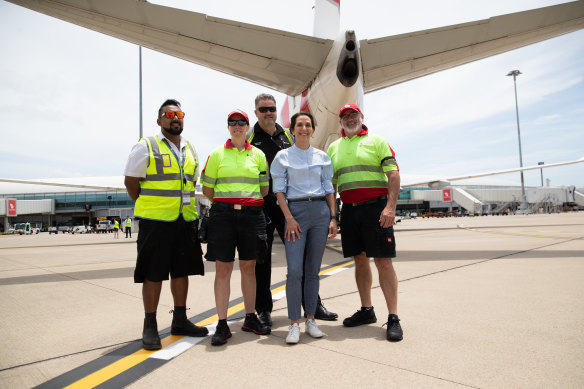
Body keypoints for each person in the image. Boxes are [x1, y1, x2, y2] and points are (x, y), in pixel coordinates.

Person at [124, 98, 208, 350]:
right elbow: (131, 182)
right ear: (159, 120)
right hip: (156, 222)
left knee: (181, 271)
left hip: (185, 220)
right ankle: (149, 325)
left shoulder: (190, 149)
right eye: (169, 114)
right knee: (153, 273)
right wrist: (149, 204)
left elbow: (191, 183)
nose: (175, 117)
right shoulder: (146, 146)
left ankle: (180, 319)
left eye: (179, 114)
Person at [247, 93, 338, 328]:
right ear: (256, 112)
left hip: (289, 207)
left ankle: (313, 305)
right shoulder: (249, 138)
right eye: (263, 109)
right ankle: (264, 309)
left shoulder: (287, 135)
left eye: (272, 109)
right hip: (263, 207)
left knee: (306, 258)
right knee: (263, 259)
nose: (268, 113)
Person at [326, 103, 403, 342]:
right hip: (350, 210)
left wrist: (390, 207)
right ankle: (367, 310)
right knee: (359, 260)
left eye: (354, 115)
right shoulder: (334, 148)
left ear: (361, 117)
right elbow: (332, 186)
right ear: (340, 122)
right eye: (345, 116)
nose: (350, 119)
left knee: (383, 261)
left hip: (376, 209)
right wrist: (333, 216)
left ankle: (393, 317)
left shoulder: (377, 141)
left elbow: (393, 175)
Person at [202, 109, 271, 346]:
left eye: (242, 123)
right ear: (228, 127)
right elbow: (207, 190)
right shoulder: (216, 154)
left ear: (248, 126)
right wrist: (228, 205)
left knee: (249, 267)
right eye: (233, 123)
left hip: (252, 215)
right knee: (223, 269)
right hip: (223, 215)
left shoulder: (259, 156)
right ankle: (222, 323)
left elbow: (264, 188)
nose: (237, 126)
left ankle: (250, 316)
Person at [270, 112, 337, 344]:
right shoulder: (282, 156)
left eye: (308, 125)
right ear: (292, 129)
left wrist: (333, 217)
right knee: (295, 270)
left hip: (320, 212)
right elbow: (279, 190)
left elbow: (328, 188)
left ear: (312, 129)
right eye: (300, 125)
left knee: (312, 270)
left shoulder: (322, 156)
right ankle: (293, 323)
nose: (304, 128)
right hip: (295, 213)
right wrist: (288, 218)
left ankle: (310, 319)